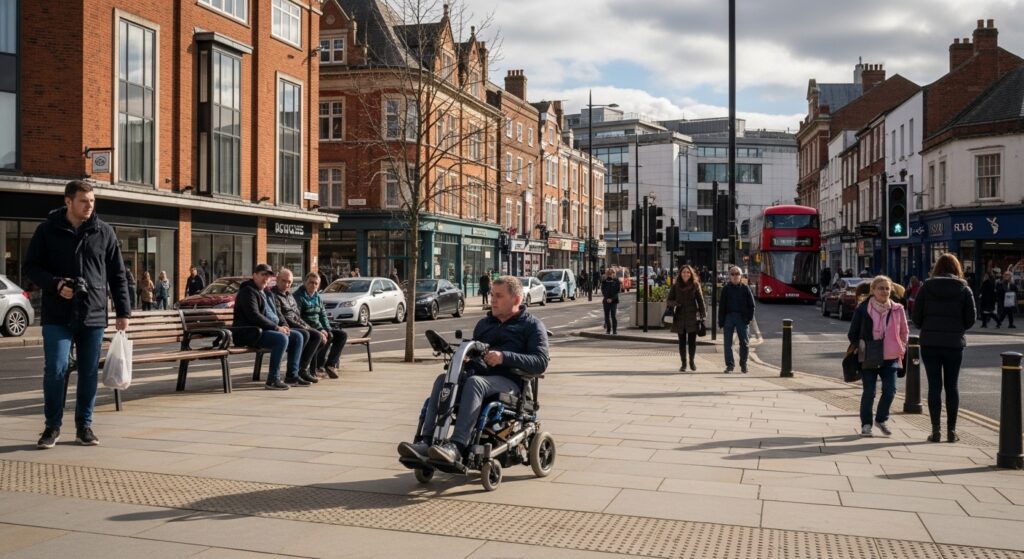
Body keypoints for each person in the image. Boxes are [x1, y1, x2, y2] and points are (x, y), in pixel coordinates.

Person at [24, 180, 132, 449]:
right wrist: (56, 285)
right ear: (68, 201)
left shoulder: (103, 231)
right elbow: (31, 267)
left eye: (92, 201)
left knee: (87, 373)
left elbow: (118, 275)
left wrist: (123, 311)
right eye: (84, 201)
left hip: (93, 313)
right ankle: (52, 427)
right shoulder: (47, 230)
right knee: (56, 369)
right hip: (57, 314)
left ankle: (84, 426)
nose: (89, 206)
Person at [397, 276, 549, 465]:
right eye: (492, 294)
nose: (492, 300)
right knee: (443, 380)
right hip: (479, 378)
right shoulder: (484, 325)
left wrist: (504, 357)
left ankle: (457, 447)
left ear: (516, 300)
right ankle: (426, 441)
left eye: (499, 296)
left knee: (475, 383)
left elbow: (541, 361)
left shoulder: (532, 326)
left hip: (511, 382)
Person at [912, 253, 976, 443]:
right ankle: (952, 431)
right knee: (951, 386)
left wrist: (928, 327)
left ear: (937, 268)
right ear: (957, 268)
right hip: (954, 344)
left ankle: (935, 430)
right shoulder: (964, 289)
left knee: (934, 386)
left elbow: (916, 317)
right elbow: (971, 319)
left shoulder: (926, 287)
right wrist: (957, 329)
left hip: (930, 344)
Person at [848, 276, 909, 437]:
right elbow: (852, 333)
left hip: (891, 356)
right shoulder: (863, 309)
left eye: (887, 288)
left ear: (891, 290)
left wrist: (901, 346)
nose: (884, 291)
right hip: (869, 356)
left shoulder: (898, 309)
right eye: (880, 288)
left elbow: (904, 331)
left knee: (890, 390)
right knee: (869, 392)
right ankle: (866, 424)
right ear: (873, 290)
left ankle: (881, 419)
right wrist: (860, 346)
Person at [231, 264, 306, 390]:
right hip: (247, 332)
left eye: (268, 275)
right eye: (262, 275)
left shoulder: (267, 293)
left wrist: (284, 326)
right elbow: (254, 316)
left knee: (297, 336)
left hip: (262, 330)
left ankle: (292, 376)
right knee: (281, 339)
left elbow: (277, 313)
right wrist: (277, 328)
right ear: (254, 275)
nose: (266, 278)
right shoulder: (248, 291)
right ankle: (273, 379)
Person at [271, 268, 322, 385]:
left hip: (295, 325)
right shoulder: (274, 295)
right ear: (277, 279)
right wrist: (306, 328)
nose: (286, 284)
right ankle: (292, 373)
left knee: (317, 335)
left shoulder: (289, 295)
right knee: (304, 334)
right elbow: (282, 317)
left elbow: (297, 316)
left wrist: (309, 327)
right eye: (284, 281)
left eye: (289, 282)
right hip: (284, 327)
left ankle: (302, 370)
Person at [294, 272, 347, 378]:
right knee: (326, 336)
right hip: (307, 328)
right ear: (305, 283)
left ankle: (330, 365)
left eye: (316, 283)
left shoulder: (317, 296)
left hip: (319, 327)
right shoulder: (298, 296)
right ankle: (319, 365)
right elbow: (298, 318)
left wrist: (327, 329)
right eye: (311, 282)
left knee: (341, 335)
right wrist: (319, 330)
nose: (313, 285)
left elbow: (323, 315)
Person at [666, 265, 706, 372]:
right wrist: (676, 303)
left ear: (691, 274)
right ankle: (683, 363)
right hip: (679, 316)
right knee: (682, 342)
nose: (686, 274)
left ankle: (691, 362)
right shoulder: (675, 286)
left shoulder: (695, 285)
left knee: (692, 342)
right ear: (680, 273)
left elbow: (701, 301)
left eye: (688, 272)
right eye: (684, 272)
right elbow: (668, 300)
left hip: (692, 316)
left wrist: (703, 314)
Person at [719, 265, 756, 374]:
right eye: (733, 274)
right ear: (729, 276)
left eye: (737, 274)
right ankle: (730, 366)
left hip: (742, 318)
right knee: (727, 343)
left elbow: (752, 305)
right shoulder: (725, 289)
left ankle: (743, 364)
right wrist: (721, 322)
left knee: (744, 343)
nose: (735, 276)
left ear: (741, 276)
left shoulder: (745, 288)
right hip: (729, 317)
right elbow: (721, 306)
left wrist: (748, 319)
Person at [600, 268, 621, 335]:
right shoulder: (604, 281)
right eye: (608, 273)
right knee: (606, 316)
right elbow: (603, 291)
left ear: (613, 274)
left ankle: (614, 330)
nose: (610, 275)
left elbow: (617, 291)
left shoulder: (616, 281)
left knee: (613, 316)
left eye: (611, 273)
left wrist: (611, 299)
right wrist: (606, 298)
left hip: (614, 301)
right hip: (606, 301)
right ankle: (608, 330)